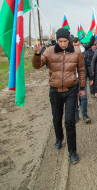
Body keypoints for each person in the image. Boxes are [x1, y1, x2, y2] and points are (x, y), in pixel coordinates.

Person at [32, 28, 85, 164]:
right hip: (55, 91)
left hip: (71, 90)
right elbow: (37, 66)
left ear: (69, 40)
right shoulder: (49, 51)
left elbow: (81, 69)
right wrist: (37, 54)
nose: (62, 44)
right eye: (60, 41)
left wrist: (82, 87)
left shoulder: (77, 51)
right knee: (56, 118)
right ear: (57, 40)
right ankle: (59, 138)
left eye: (65, 41)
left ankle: (72, 151)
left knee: (69, 121)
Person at [72, 37, 94, 123]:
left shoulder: (84, 52)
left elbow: (88, 65)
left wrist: (91, 78)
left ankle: (85, 115)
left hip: (82, 79)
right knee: (74, 99)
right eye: (75, 45)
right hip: (72, 79)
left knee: (84, 98)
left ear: (80, 43)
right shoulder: (68, 53)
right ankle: (76, 115)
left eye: (78, 45)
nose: (77, 47)